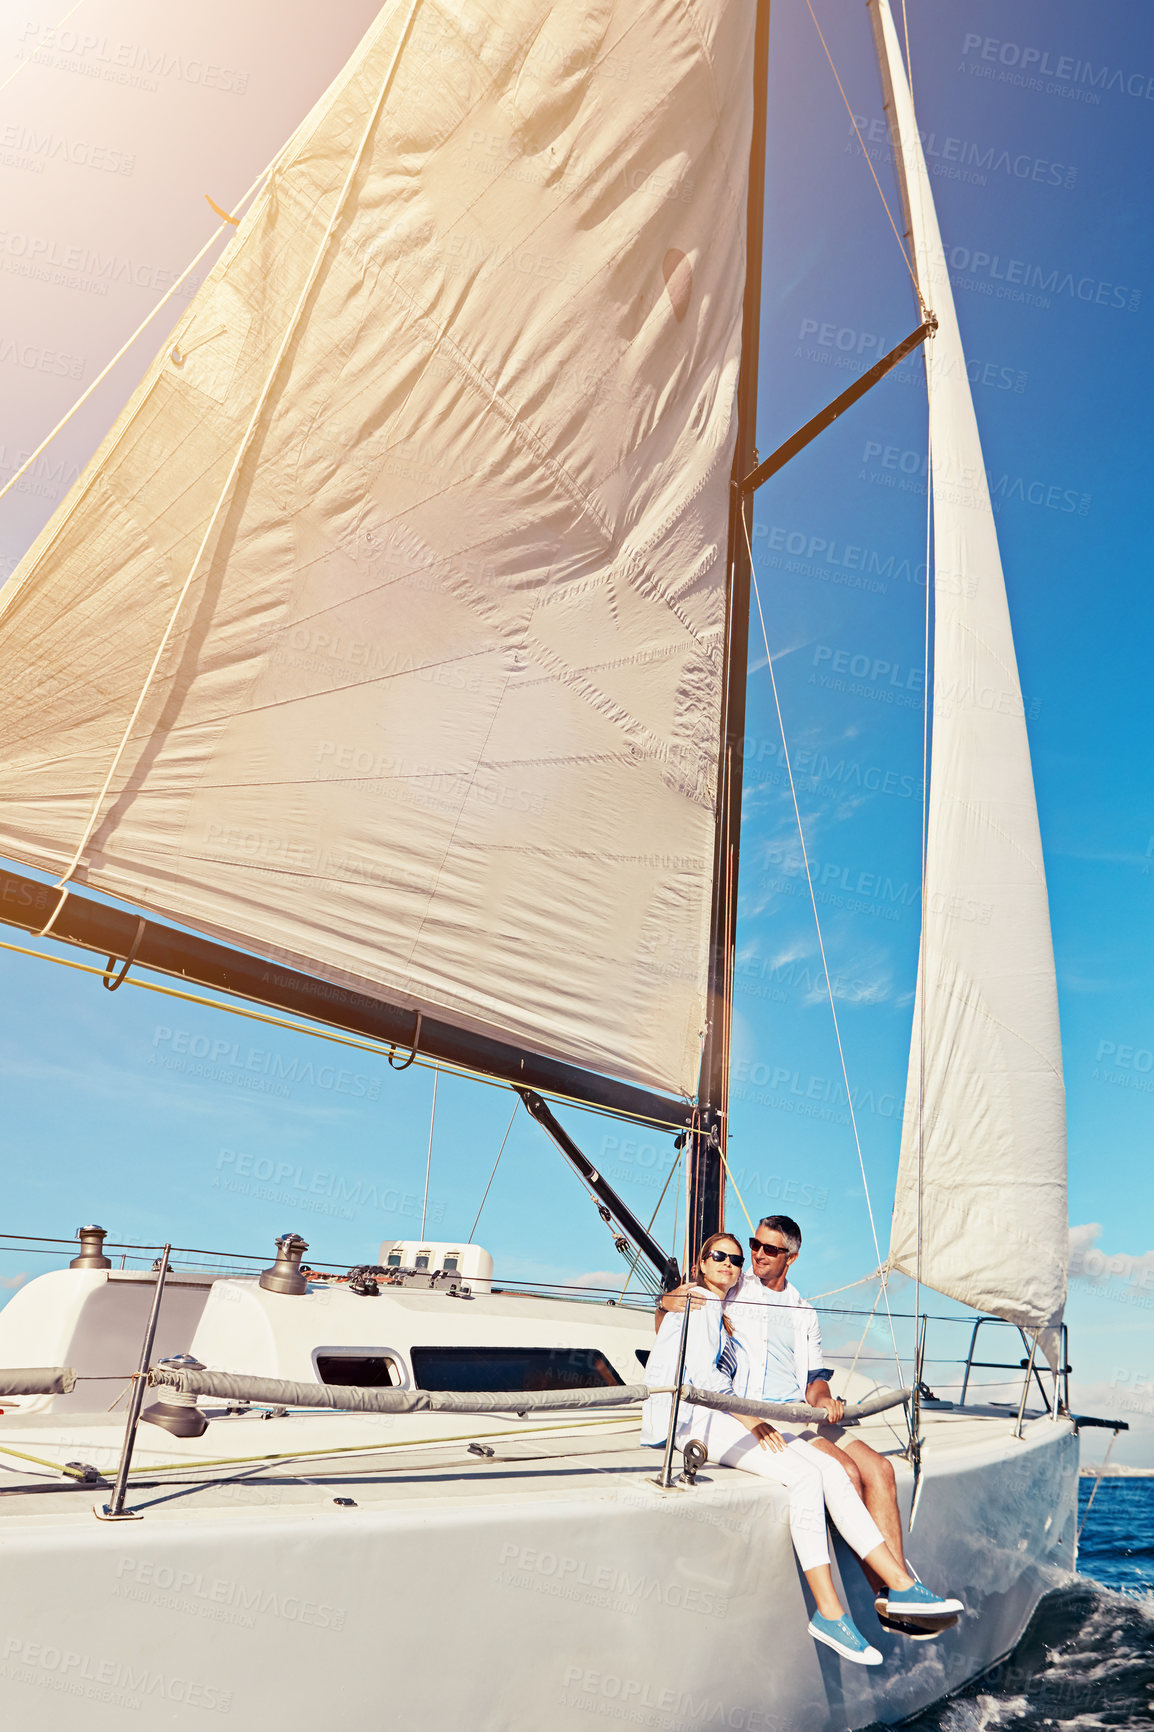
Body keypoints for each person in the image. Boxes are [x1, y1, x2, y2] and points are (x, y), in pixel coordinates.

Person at [659, 1216, 963, 1630]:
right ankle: (887, 1593)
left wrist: (827, 1401)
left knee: (882, 1468)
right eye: (755, 1245)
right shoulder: (734, 1288)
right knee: (846, 1471)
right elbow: (682, 1323)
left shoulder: (804, 1312)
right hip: (765, 1415)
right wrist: (666, 1302)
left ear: (792, 1257)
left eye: (770, 1249)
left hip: (803, 1411)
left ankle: (897, 1592)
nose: (757, 1255)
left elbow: (814, 1380)